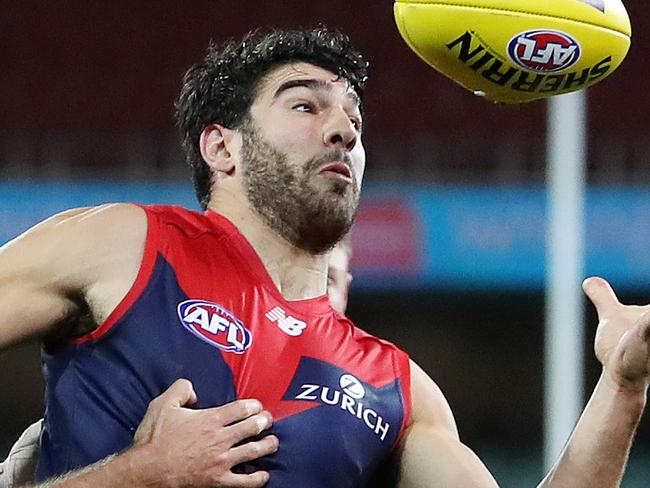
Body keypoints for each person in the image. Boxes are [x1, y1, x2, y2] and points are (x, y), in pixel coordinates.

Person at [0, 26, 649, 487]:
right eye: (306, 105)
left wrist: (622, 388)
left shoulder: (398, 389)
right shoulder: (121, 246)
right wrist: (141, 475)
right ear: (223, 149)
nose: (343, 129)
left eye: (354, 122)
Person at [0, 238, 353, 488]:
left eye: (328, 282)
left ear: (347, 289)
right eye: (286, 283)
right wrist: (147, 471)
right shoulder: (60, 439)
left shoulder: (381, 415)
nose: (302, 302)